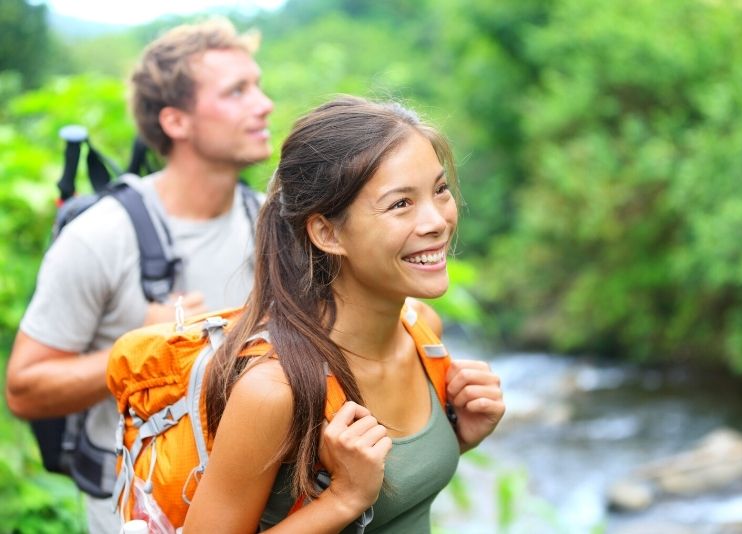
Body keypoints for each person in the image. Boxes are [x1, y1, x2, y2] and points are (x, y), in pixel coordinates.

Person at [183, 96, 505, 533]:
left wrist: (456, 435)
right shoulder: (275, 392)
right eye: (400, 204)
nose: (437, 221)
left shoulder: (421, 330)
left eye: (440, 190)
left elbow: (397, 495)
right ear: (327, 232)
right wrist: (344, 498)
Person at [5, 18, 274, 534]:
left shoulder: (271, 223)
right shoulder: (102, 236)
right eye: (237, 91)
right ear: (176, 121)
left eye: (258, 86)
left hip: (257, 506)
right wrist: (149, 348)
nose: (264, 104)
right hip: (137, 513)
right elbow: (24, 390)